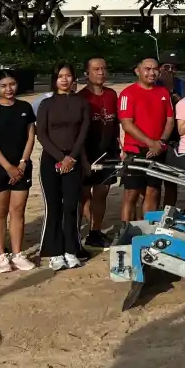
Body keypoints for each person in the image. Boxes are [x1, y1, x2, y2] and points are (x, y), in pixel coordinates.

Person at [0, 70, 38, 273]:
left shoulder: (25, 107)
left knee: (18, 211)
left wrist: (22, 163)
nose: (9, 89)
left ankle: (17, 253)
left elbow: (31, 136)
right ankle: (1, 255)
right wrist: (8, 167)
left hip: (22, 167)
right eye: (3, 85)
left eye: (12, 84)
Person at [36, 63, 91, 270]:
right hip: (52, 159)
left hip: (74, 158)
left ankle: (71, 249)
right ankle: (54, 252)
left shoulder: (82, 103)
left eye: (68, 76)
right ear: (55, 79)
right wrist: (61, 158)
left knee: (71, 206)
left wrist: (71, 158)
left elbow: (83, 132)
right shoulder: (46, 104)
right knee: (54, 207)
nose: (65, 80)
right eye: (61, 76)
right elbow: (41, 133)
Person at [118, 57, 175, 222]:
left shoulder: (163, 92)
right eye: (147, 69)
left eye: (155, 69)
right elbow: (127, 124)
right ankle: (126, 231)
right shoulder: (127, 94)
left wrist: (161, 142)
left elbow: (169, 120)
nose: (152, 72)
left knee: (153, 190)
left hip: (158, 149)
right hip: (136, 150)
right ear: (137, 71)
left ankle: (148, 228)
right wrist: (151, 142)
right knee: (131, 193)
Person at [79, 57, 118, 249]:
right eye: (96, 69)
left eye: (103, 68)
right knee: (85, 194)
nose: (101, 72)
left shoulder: (112, 95)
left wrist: (120, 147)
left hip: (109, 152)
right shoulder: (81, 97)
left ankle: (95, 231)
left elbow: (116, 124)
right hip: (86, 152)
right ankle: (88, 226)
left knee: (102, 193)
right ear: (87, 73)